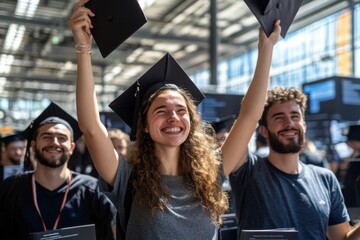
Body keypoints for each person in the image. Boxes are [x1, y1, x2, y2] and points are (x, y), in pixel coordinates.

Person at [69, 0, 281, 238]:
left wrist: (266, 49)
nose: (173, 117)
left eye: (181, 111)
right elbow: (91, 128)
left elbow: (249, 117)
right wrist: (83, 48)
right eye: (161, 111)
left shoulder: (212, 173)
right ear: (145, 127)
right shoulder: (129, 179)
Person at [224, 86, 360, 239]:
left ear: (304, 125)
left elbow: (342, 239)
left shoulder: (325, 178)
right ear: (264, 131)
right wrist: (265, 61)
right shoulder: (248, 171)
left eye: (295, 116)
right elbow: (247, 116)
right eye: (279, 117)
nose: (289, 123)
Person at [0, 102, 116, 240]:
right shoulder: (10, 189)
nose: (54, 142)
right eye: (46, 136)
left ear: (72, 148)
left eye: (62, 138)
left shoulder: (93, 191)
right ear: (33, 145)